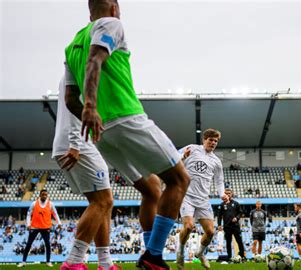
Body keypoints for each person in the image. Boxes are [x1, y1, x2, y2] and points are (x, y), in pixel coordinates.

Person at [63, 0, 190, 269]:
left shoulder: (72, 44)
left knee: (152, 188)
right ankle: (153, 256)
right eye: (119, 6)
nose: (120, 11)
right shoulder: (112, 24)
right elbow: (95, 60)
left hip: (103, 134)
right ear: (112, 7)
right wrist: (91, 107)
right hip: (127, 118)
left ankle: (148, 252)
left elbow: (69, 97)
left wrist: (92, 117)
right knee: (179, 179)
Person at [52, 76, 118, 270]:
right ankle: (74, 261)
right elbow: (73, 105)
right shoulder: (80, 70)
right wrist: (75, 144)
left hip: (76, 141)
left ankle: (105, 263)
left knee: (103, 202)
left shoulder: (71, 73)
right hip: (76, 143)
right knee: (103, 201)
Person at [177, 128, 226, 270]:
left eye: (216, 141)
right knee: (188, 226)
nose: (213, 143)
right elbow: (173, 159)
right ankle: (180, 253)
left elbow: (219, 181)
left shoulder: (216, 161)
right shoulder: (191, 149)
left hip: (203, 199)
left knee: (210, 232)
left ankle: (200, 253)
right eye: (211, 140)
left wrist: (221, 194)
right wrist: (183, 158)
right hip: (187, 196)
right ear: (204, 139)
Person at [18, 190, 61, 268]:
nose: (44, 196)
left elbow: (55, 214)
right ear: (40, 195)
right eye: (43, 194)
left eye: (46, 194)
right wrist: (28, 224)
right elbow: (28, 214)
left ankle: (48, 262)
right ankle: (23, 262)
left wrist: (59, 223)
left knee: (47, 244)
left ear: (47, 195)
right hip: (35, 227)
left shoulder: (50, 204)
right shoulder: (34, 203)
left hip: (46, 227)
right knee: (28, 244)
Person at [217, 189, 245, 261]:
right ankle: (229, 257)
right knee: (228, 242)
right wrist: (219, 224)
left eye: (229, 193)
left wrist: (237, 218)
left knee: (239, 241)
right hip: (227, 226)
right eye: (226, 193)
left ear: (231, 194)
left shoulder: (236, 203)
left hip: (235, 226)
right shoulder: (222, 205)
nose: (228, 194)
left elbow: (240, 212)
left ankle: (242, 256)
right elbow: (219, 216)